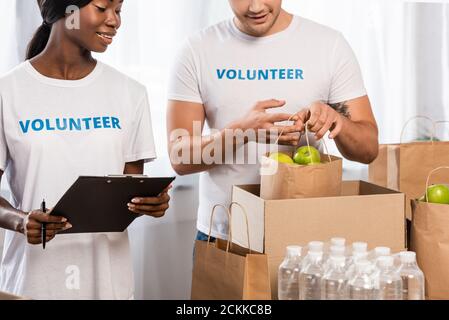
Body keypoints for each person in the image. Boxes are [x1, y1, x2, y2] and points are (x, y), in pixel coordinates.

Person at [167, 0, 378, 242]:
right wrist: (241, 132)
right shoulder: (197, 50)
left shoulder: (329, 45)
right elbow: (179, 157)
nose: (256, 7)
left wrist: (336, 121)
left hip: (309, 234)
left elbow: (368, 150)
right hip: (225, 237)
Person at [0, 0, 170, 299]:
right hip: (30, 283)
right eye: (103, 7)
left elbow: (127, 191)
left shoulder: (130, 93)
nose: (114, 20)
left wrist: (150, 204)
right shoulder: (8, 92)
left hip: (109, 285)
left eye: (119, 10)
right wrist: (20, 220)